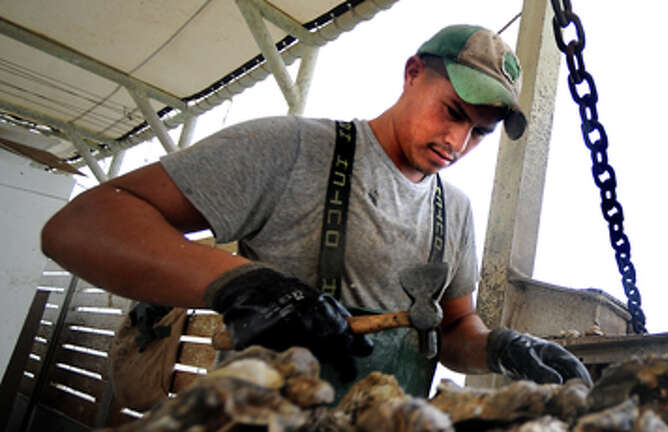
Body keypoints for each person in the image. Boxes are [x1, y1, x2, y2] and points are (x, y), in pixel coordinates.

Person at [40, 24, 591, 397]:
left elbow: (453, 329)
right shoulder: (291, 150)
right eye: (451, 111)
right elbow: (82, 225)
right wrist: (245, 285)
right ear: (412, 73)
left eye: (478, 131)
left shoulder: (458, 212)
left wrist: (499, 346)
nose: (457, 140)